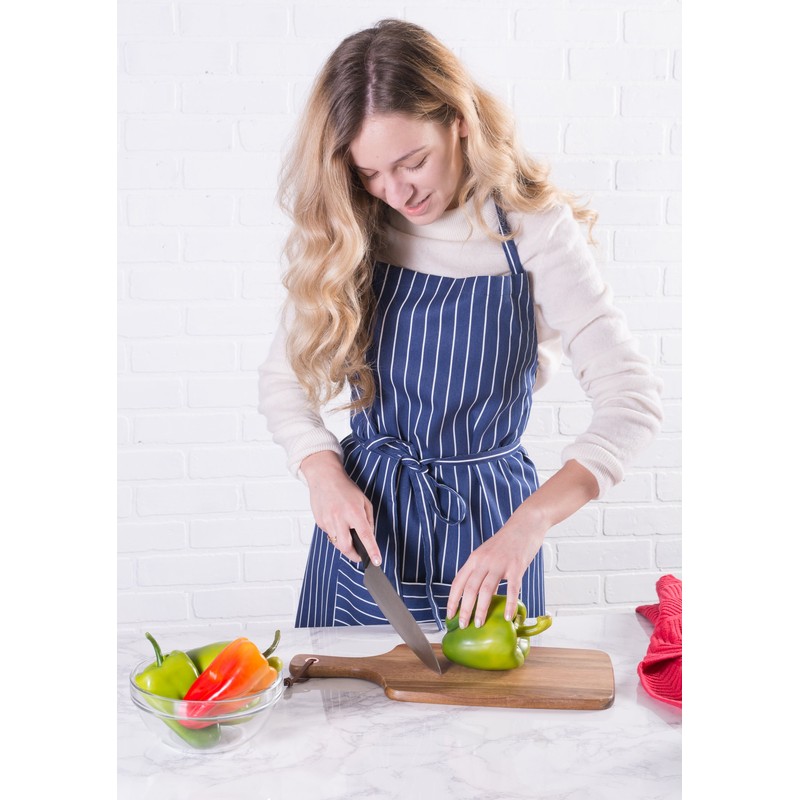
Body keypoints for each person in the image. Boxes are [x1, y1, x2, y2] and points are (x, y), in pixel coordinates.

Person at [259, 19, 662, 632]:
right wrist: (321, 472)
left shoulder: (534, 229)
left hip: (493, 529)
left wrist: (529, 523)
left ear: (459, 121)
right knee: (345, 691)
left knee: (489, 692)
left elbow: (632, 400)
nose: (395, 192)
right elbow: (281, 381)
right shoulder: (352, 227)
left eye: (412, 162)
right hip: (367, 528)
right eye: (370, 173)